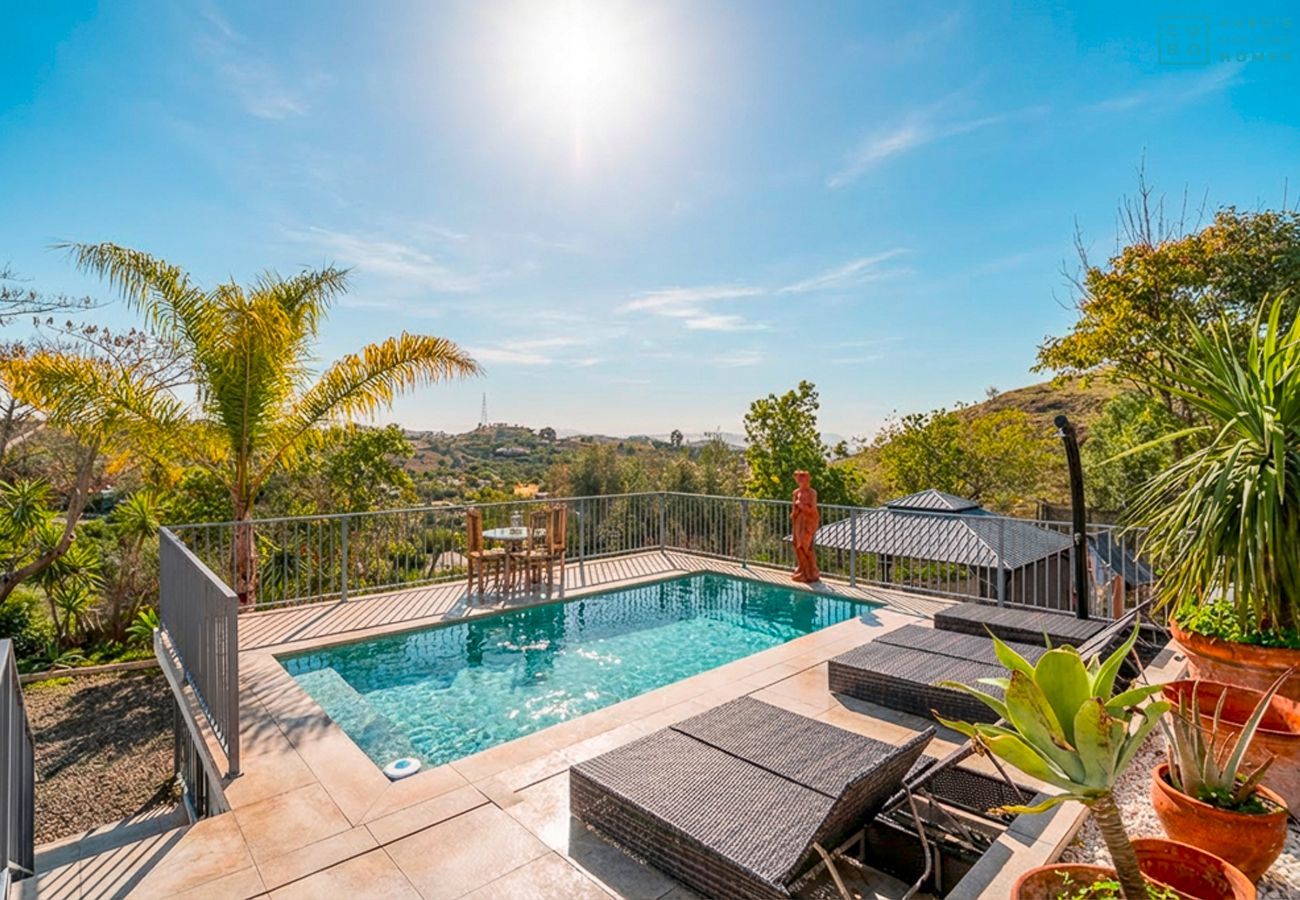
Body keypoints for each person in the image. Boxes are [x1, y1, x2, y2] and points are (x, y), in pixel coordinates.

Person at [790, 470, 821, 583]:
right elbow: (794, 510)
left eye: (802, 479)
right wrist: (794, 513)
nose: (800, 482)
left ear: (807, 480)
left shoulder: (812, 493)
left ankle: (812, 571)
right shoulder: (796, 492)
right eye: (798, 480)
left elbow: (813, 510)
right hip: (798, 522)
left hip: (808, 521)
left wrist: (802, 506)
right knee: (797, 545)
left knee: (806, 547)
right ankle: (802, 568)